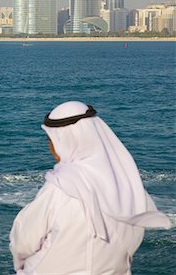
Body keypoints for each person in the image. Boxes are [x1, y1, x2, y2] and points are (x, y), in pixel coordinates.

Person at [9, 101, 171, 275]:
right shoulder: (128, 186)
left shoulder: (59, 188)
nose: (50, 148)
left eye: (52, 140)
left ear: (66, 141)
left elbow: (23, 242)